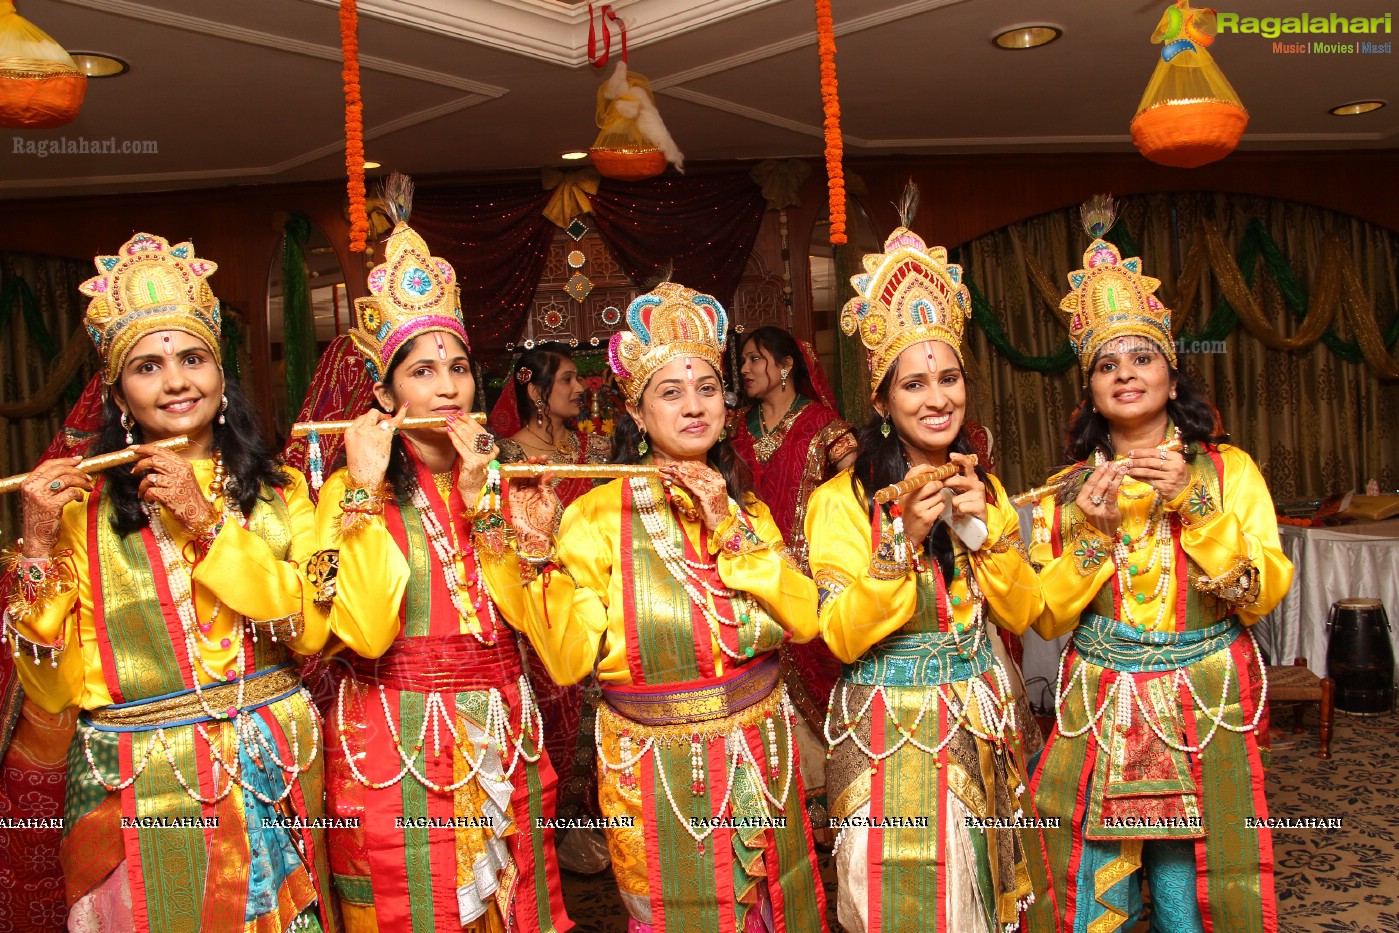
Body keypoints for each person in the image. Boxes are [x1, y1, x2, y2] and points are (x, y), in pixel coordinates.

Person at [1, 233, 332, 931]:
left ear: (221, 374)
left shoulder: (280, 494)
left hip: (271, 770)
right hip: (139, 786)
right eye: (147, 366)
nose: (176, 380)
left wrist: (204, 519)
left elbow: (307, 626)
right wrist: (34, 546)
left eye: (192, 358)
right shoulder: (82, 517)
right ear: (118, 393)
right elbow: (54, 691)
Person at [507, 283, 829, 932]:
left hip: (759, 759)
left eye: (706, 387)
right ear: (637, 408)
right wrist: (535, 556)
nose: (692, 406)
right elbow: (569, 660)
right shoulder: (596, 517)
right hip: (654, 778)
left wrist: (728, 527)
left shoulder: (745, 507)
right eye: (671, 392)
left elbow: (803, 616)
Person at [1025, 201, 1293, 933]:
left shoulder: (1227, 470)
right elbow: (1042, 614)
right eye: (1106, 364)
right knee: (1096, 874)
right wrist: (1091, 532)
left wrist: (1195, 508)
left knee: (1191, 874)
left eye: (1141, 357)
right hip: (1103, 697)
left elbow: (1258, 593)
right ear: (1090, 392)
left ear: (1172, 379)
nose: (1125, 373)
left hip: (1201, 697)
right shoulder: (1066, 490)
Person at [312, 183, 572, 932]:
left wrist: (491, 507)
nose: (450, 385)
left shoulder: (497, 482)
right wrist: (362, 494)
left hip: (501, 726)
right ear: (385, 393)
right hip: (394, 738)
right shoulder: (342, 493)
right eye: (422, 371)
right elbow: (356, 631)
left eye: (457, 366)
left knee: (510, 906)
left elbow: (540, 633)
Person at [808, 214, 1052, 933]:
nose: (937, 397)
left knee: (992, 888)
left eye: (948, 377)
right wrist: (902, 542)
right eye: (913, 384)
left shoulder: (985, 485)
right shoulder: (841, 500)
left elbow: (1026, 613)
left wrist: (985, 535)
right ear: (881, 402)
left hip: (981, 717)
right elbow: (841, 636)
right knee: (897, 895)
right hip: (888, 729)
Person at [490, 344, 612, 874]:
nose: (580, 389)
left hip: (601, 600)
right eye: (566, 381)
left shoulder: (598, 447)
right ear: (536, 391)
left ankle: (595, 820)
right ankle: (557, 831)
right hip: (547, 605)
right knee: (558, 717)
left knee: (602, 717)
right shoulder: (510, 458)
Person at [730, 327, 855, 845]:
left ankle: (837, 810)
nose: (745, 371)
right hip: (753, 576)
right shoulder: (737, 428)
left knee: (825, 690)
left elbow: (856, 487)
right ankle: (789, 816)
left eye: (755, 360)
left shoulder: (824, 425)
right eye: (743, 362)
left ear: (785, 365)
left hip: (813, 582)